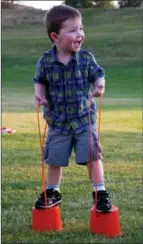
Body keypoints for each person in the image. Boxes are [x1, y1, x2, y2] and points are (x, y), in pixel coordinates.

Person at [33, 5, 112, 212]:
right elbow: (39, 80)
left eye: (81, 28)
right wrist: (39, 94)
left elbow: (98, 73)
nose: (80, 34)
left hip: (84, 120)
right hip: (58, 122)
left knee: (92, 156)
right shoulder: (46, 61)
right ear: (55, 36)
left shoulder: (86, 58)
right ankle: (52, 192)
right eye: (73, 30)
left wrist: (99, 84)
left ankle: (100, 193)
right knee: (55, 159)